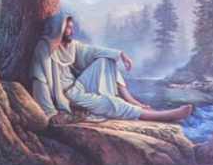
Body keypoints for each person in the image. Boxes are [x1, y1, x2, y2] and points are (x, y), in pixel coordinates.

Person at [31, 15, 166, 123]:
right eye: (68, 28)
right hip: (68, 95)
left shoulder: (71, 46)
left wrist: (121, 54)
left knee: (106, 59)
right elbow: (40, 81)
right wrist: (50, 113)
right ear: (58, 29)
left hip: (77, 87)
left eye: (72, 28)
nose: (71, 32)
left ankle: (129, 99)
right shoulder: (44, 48)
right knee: (109, 102)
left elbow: (92, 51)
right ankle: (157, 116)